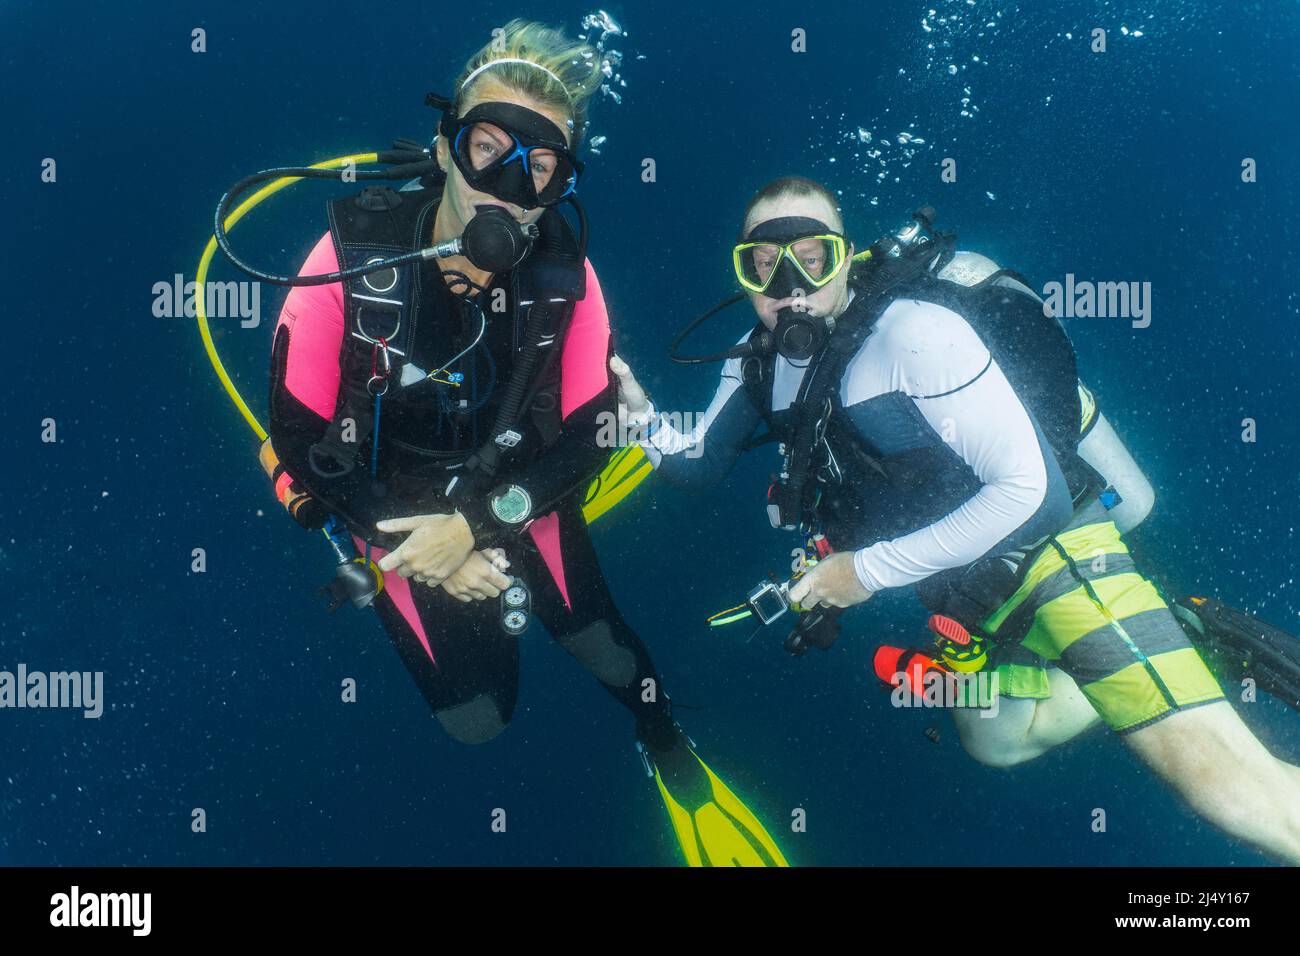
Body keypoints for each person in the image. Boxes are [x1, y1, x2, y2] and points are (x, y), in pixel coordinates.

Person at [612, 175, 1300, 863]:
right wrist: (641, 419)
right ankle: (1183, 635)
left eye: (813, 256)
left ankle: (1145, 649)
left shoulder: (914, 335)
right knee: (998, 741)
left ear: (845, 258)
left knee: (1237, 796)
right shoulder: (760, 362)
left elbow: (1033, 494)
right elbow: (699, 462)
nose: (789, 282)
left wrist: (863, 572)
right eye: (763, 265)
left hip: (1056, 553)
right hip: (960, 588)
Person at [263, 20, 786, 867]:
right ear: (444, 147)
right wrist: (426, 547)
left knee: (610, 652)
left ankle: (660, 737)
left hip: (518, 489)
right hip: (387, 514)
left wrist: (472, 525)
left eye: (540, 167)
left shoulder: (566, 283)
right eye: (488, 148)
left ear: (557, 188)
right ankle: (488, 607)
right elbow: (295, 437)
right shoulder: (348, 261)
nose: (509, 185)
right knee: (478, 721)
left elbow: (590, 437)